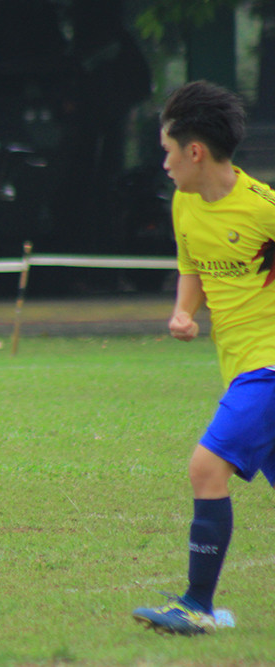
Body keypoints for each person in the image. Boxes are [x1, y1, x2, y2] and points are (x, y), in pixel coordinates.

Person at [131, 80, 275, 636]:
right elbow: (191, 267)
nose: (163, 164)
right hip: (239, 366)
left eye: (168, 151)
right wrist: (183, 312)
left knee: (206, 466)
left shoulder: (262, 210)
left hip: (267, 368)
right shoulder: (185, 204)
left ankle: (197, 603)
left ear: (195, 152)